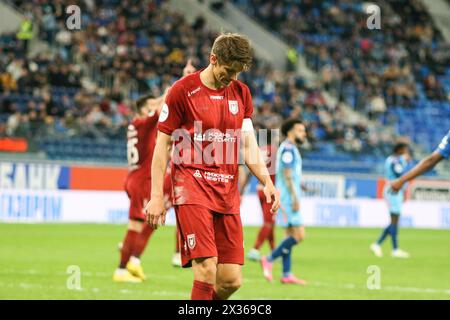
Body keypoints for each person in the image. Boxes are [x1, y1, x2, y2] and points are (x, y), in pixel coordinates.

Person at [144, 33, 280, 300]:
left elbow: (247, 144)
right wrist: (157, 196)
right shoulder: (182, 91)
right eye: (228, 71)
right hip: (191, 186)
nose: (232, 78)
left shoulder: (241, 93)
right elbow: (162, 146)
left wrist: (267, 181)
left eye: (238, 73)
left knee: (230, 281)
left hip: (227, 192)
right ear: (213, 59)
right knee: (206, 269)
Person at [113, 94, 165, 283]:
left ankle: (130, 255)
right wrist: (182, 81)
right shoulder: (145, 123)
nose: (154, 107)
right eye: (150, 105)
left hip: (134, 177)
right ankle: (121, 270)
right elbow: (164, 105)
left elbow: (159, 103)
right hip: (141, 181)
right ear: (144, 109)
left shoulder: (135, 124)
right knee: (135, 226)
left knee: (142, 224)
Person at [261, 119, 307, 285]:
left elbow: (289, 173)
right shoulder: (288, 148)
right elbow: (287, 174)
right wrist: (295, 197)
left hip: (287, 196)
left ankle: (286, 274)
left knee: (289, 235)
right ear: (290, 132)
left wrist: (300, 185)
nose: (304, 133)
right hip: (288, 199)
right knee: (299, 235)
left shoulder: (290, 148)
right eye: (300, 130)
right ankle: (269, 258)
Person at [370, 142, 413, 259]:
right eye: (405, 151)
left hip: (397, 190)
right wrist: (405, 161)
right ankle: (394, 249)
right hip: (392, 190)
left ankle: (378, 244)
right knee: (394, 219)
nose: (406, 153)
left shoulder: (398, 160)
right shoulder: (394, 160)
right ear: (399, 150)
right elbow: (399, 173)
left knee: (395, 220)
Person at [246, 129, 277, 261]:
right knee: (268, 222)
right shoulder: (275, 151)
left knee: (270, 222)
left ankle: (274, 251)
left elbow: (251, 168)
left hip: (260, 189)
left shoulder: (259, 149)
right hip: (270, 189)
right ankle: (255, 249)